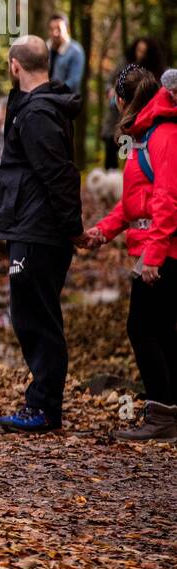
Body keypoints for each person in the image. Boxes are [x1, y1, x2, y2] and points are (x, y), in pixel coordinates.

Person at [0, 35, 84, 433]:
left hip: (39, 231)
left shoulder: (38, 114)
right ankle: (42, 403)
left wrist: (72, 229)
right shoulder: (35, 106)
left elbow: (59, 175)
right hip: (30, 225)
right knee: (30, 314)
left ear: (15, 66)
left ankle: (44, 408)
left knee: (36, 318)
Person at [81, 66, 177, 441]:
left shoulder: (163, 135)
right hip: (155, 247)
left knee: (141, 329)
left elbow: (168, 200)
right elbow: (134, 203)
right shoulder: (145, 135)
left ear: (124, 99)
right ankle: (169, 410)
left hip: (163, 250)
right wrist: (101, 232)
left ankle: (161, 414)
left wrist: (153, 256)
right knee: (162, 331)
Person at [102, 39, 166, 169]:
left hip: (139, 119)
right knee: (113, 149)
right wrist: (111, 91)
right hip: (117, 118)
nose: (140, 54)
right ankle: (111, 182)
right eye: (138, 50)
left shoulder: (152, 72)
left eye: (144, 52)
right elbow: (109, 82)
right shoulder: (124, 64)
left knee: (132, 158)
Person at [48, 13, 85, 94]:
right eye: (51, 29)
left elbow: (74, 82)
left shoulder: (76, 51)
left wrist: (51, 91)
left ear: (67, 29)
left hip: (66, 101)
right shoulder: (45, 48)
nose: (55, 33)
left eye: (59, 29)